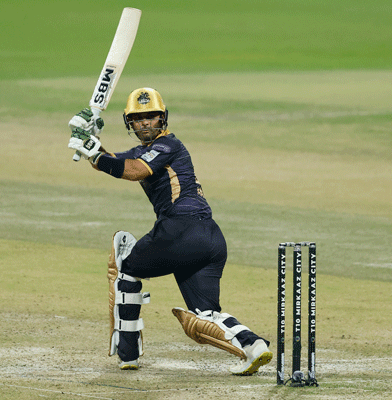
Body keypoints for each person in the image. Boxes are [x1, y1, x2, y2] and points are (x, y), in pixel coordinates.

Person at [67, 87, 272, 374]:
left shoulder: (168, 146)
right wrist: (89, 142)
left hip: (180, 230)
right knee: (205, 315)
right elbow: (114, 162)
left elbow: (134, 171)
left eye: (151, 116)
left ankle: (128, 353)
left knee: (124, 268)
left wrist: (94, 154)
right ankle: (254, 346)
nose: (145, 123)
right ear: (130, 123)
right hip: (209, 239)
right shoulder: (143, 152)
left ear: (162, 118)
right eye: (138, 118)